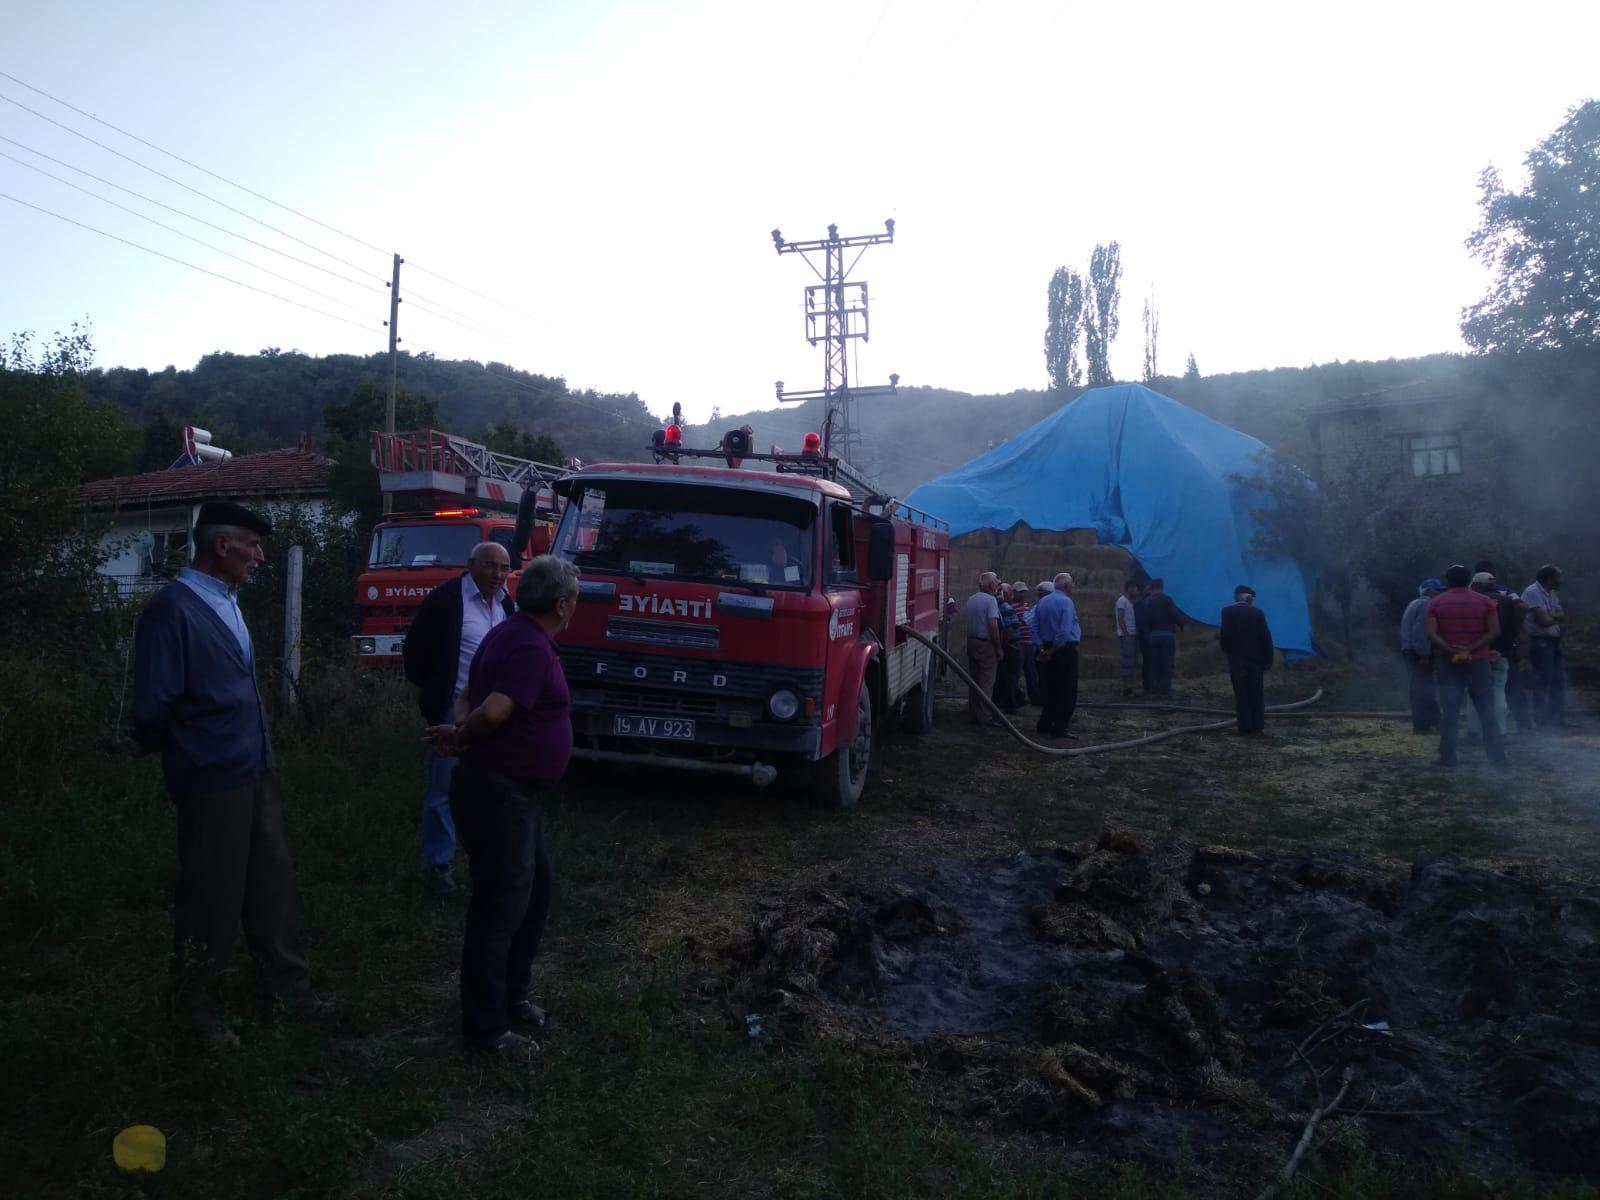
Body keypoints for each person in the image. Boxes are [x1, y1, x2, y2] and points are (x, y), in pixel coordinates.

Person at [131, 501, 331, 1050]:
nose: (259, 556)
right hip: (211, 774)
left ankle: (287, 990)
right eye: (252, 545)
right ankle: (193, 1012)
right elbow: (153, 704)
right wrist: (181, 748)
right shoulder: (172, 609)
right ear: (221, 546)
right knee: (211, 892)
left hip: (254, 765)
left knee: (270, 880)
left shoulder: (226, 601)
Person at [424, 555, 579, 1056]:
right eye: (575, 598)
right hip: (500, 795)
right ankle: (486, 1029)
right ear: (562, 604)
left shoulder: (507, 632)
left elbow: (469, 693)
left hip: (515, 795)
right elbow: (491, 710)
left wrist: (459, 730)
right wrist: (464, 737)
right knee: (499, 909)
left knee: (533, 896)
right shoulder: (529, 644)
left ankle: (513, 996)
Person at [402, 542, 515, 896]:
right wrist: (436, 692)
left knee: (492, 783)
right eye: (491, 565)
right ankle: (439, 865)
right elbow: (415, 651)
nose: (498, 574)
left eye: (504, 568)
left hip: (492, 710)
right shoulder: (447, 600)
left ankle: (488, 858)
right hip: (453, 708)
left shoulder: (506, 604)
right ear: (471, 565)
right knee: (444, 787)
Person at [1425, 563, 1506, 768]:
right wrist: (1470, 648)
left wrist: (1450, 648)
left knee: (1450, 711)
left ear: (1448, 581)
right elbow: (1494, 631)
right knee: (1486, 709)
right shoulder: (1484, 601)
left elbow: (1431, 633)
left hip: (1448, 662)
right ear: (1469, 580)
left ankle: (1448, 756)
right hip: (1478, 662)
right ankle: (1497, 757)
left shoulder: (1436, 602)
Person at [1471, 560, 1532, 735]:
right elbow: (1522, 607)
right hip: (1504, 647)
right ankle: (1522, 726)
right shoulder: (1505, 592)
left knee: (1475, 691)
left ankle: (1475, 731)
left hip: (1476, 649)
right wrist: (1514, 630)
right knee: (1510, 687)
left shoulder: (1470, 592)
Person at [1218, 584, 1274, 736]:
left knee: (1241, 693)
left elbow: (1226, 635)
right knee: (1256, 693)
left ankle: (1245, 727)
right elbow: (1265, 637)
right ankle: (1258, 727)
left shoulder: (1228, 612)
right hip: (1256, 660)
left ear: (1237, 596)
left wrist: (1227, 650)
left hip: (1237, 659)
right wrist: (1269, 658)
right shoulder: (1258, 613)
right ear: (1249, 599)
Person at [1033, 571, 1081, 738]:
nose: (1073, 587)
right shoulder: (1067, 602)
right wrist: (1053, 650)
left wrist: (1041, 648)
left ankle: (1045, 724)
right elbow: (1064, 631)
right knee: (1067, 691)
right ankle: (1060, 728)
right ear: (1066, 586)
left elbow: (1034, 627)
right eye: (1072, 584)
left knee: (1050, 688)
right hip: (1063, 650)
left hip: (1045, 647)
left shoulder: (1043, 601)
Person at [1522, 564, 1570, 730]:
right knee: (1542, 681)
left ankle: (1556, 719)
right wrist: (1553, 616)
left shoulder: (1552, 593)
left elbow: (1561, 615)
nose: (1561, 580)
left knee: (1559, 680)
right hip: (1540, 642)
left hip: (1554, 641)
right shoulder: (1532, 592)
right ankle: (1541, 721)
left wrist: (1551, 616)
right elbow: (1544, 621)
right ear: (1549, 579)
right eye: (1559, 577)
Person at [1400, 578, 1443, 734]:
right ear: (1429, 590)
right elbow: (1422, 631)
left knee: (1418, 688)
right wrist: (1424, 654)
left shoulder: (1414, 603)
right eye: (1438, 590)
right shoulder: (1426, 604)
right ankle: (1426, 725)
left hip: (1409, 650)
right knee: (1424, 689)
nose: (1440, 593)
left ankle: (1423, 725)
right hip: (1419, 652)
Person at [964, 572, 1003, 725]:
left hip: (972, 642)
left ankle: (974, 713)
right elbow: (993, 625)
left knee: (974, 681)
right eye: (997, 582)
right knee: (986, 682)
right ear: (991, 585)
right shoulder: (991, 600)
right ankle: (985, 717)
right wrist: (998, 647)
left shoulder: (972, 599)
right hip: (986, 645)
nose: (998, 585)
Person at [1141, 579, 1184, 698]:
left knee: (1155, 664)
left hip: (1153, 636)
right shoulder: (1166, 600)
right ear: (1161, 587)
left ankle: (1155, 688)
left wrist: (1147, 635)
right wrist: (1181, 624)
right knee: (1167, 663)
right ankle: (1165, 690)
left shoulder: (1147, 602)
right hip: (1167, 636)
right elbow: (1175, 614)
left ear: (1152, 587)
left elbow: (1144, 621)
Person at [993, 582, 1023, 714]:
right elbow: (1009, 630)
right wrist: (1004, 646)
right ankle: (1012, 703)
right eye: (1010, 592)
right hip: (1011, 646)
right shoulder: (1006, 607)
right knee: (1010, 677)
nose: (1013, 595)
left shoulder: (999, 607)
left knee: (1006, 675)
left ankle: (1011, 700)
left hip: (1008, 645)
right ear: (1004, 594)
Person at [1115, 579, 1139, 698]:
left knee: (1132, 662)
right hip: (1126, 635)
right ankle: (1126, 689)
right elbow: (1120, 618)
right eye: (1134, 588)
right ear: (1129, 588)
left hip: (1133, 634)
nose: (1136, 591)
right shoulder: (1122, 600)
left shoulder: (1131, 602)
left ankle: (1131, 688)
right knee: (1127, 661)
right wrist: (1126, 634)